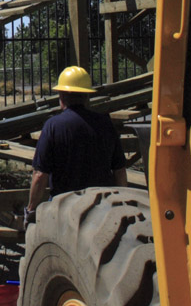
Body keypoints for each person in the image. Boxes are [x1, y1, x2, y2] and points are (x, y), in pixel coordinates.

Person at [25, 65, 127, 222]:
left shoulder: (53, 126)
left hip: (65, 207)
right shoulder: (106, 124)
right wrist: (121, 205)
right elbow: (119, 170)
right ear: (87, 96)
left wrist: (31, 210)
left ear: (61, 96)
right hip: (102, 206)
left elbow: (39, 175)